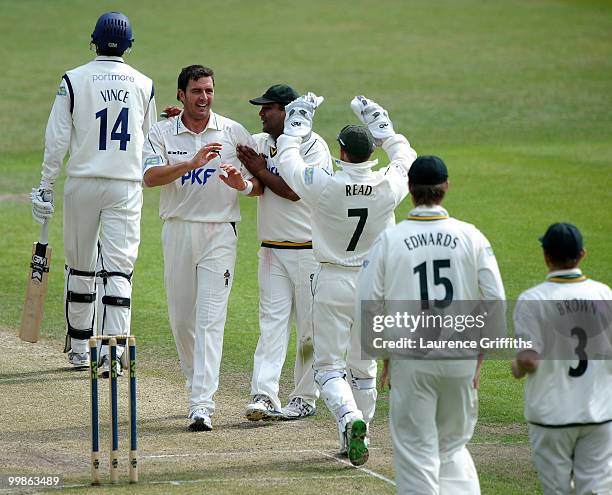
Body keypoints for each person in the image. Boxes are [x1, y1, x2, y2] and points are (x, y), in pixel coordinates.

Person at [274, 93, 417, 466]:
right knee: (363, 367)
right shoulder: (388, 185)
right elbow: (406, 159)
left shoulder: (326, 185)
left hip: (333, 281)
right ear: (370, 152)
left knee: (327, 368)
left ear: (340, 151)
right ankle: (361, 434)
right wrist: (383, 126)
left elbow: (288, 162)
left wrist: (298, 122)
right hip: (375, 286)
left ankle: (350, 420)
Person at [359, 155, 506, 493]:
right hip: (460, 359)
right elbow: (495, 300)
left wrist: (383, 355)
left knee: (415, 453)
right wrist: (480, 356)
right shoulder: (472, 236)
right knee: (452, 449)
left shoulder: (389, 240)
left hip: (411, 360)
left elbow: (368, 304)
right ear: (446, 188)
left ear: (410, 189)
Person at [30, 11, 156, 372]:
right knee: (118, 271)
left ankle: (80, 348)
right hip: (126, 186)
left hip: (82, 183)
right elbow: (149, 141)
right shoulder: (144, 84)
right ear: (129, 44)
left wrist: (45, 185)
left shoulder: (73, 79)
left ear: (94, 40)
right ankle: (112, 355)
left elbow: (56, 139)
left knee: (81, 266)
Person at [142, 65, 263, 431]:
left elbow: (260, 183)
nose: (204, 98)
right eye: (196, 91)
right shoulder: (162, 132)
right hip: (178, 230)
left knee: (211, 320)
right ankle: (197, 387)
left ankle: (201, 405)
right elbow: (149, 177)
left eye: (209, 90)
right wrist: (190, 164)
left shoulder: (232, 132)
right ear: (181, 94)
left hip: (219, 234)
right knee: (182, 321)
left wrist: (241, 184)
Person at [236, 85, 332, 421]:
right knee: (271, 325)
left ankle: (305, 397)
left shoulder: (313, 146)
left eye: (269, 108)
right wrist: (187, 120)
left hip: (309, 251)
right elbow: (226, 147)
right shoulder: (260, 143)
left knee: (308, 328)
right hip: (272, 250)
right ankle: (264, 395)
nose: (261, 114)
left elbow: (294, 191)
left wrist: (262, 169)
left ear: (288, 113)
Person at [512, 223, 612, 495]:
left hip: (552, 417)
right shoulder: (605, 295)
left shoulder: (532, 300)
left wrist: (516, 366)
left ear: (546, 256)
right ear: (582, 254)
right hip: (599, 415)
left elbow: (529, 360)